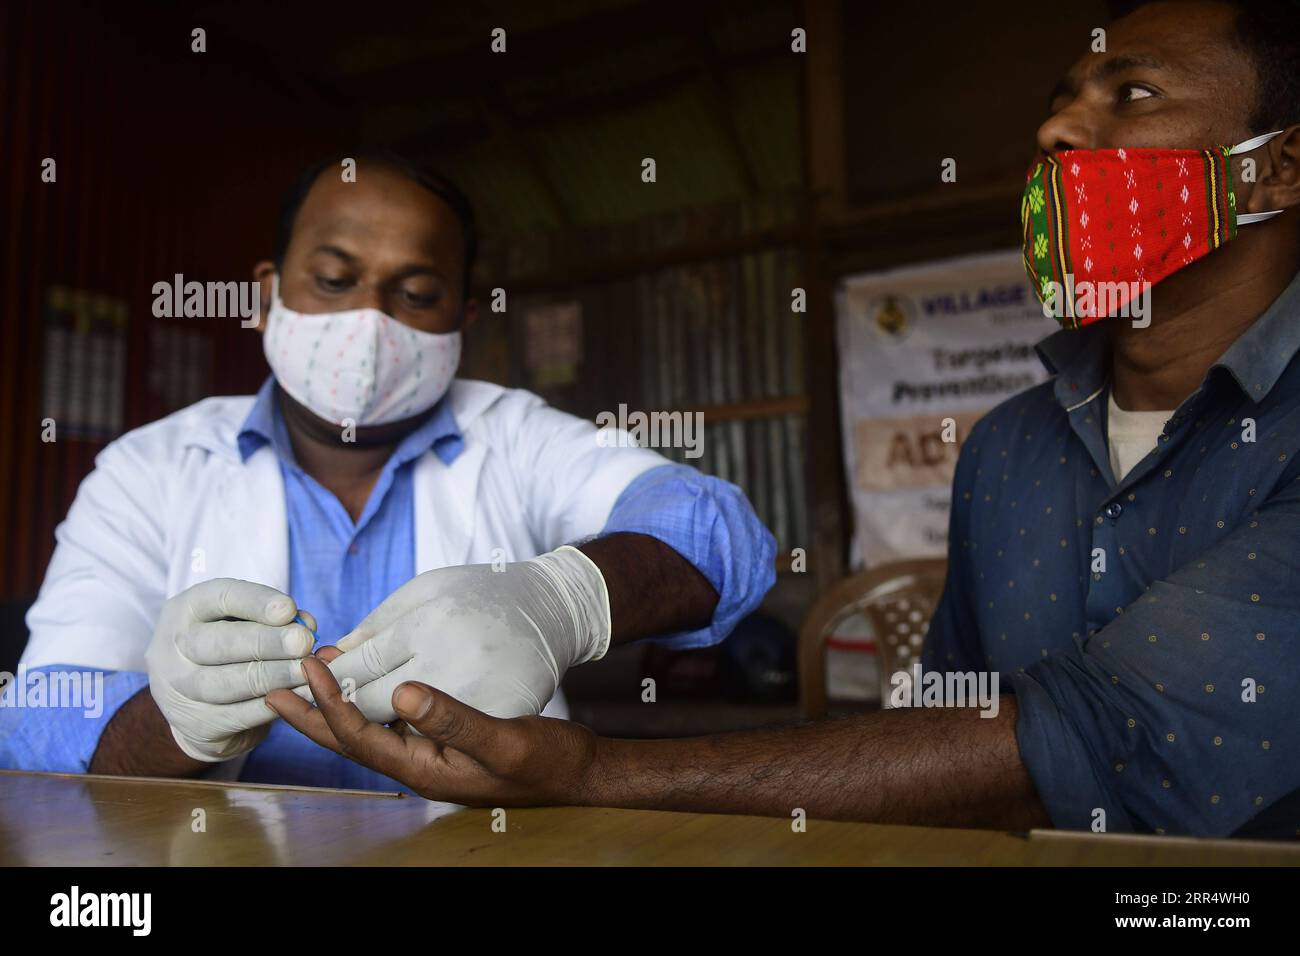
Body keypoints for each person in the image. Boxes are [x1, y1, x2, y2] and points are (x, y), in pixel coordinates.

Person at [270, 0, 1300, 837]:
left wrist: (590, 744)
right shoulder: (1009, 448)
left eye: (1133, 93)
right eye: (1059, 101)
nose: (1057, 132)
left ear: (1279, 167)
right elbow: (944, 739)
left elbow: (1082, 745)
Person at [1, 153, 776, 795]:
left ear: (462, 323)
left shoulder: (511, 435)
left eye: (417, 294)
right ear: (267, 297)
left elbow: (719, 532)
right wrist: (172, 723)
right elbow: (37, 716)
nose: (369, 321)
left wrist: (565, 601)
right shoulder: (149, 467)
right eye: (335, 280)